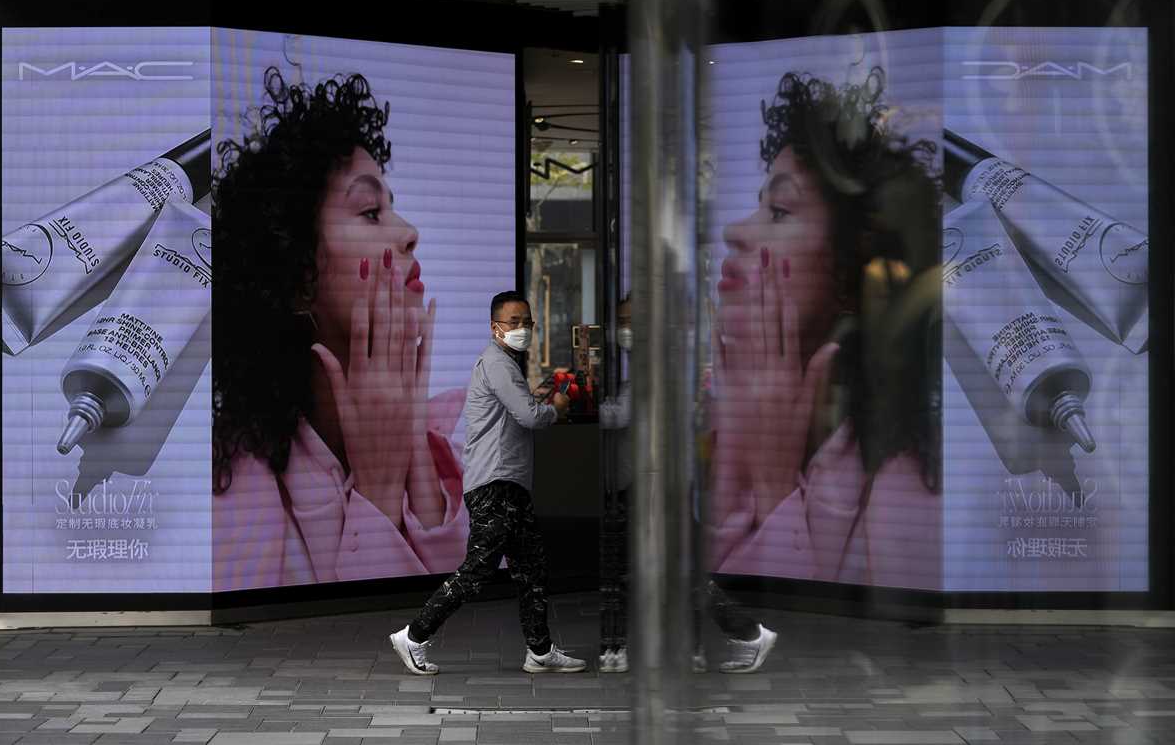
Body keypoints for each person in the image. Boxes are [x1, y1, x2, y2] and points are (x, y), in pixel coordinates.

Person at [212, 67, 469, 591]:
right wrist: (377, 494)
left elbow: (483, 626)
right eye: (371, 211)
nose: (409, 232)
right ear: (298, 277)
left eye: (391, 207)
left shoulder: (461, 450)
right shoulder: (231, 491)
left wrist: (415, 451)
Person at [711, 67, 943, 590]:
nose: (733, 230)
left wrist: (773, 483)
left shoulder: (908, 471)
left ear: (849, 266)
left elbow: (793, 620)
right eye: (758, 205)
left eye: (779, 210)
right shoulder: (742, 414)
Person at [390, 291, 586, 675]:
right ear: (495, 328)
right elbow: (530, 417)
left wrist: (539, 400)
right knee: (479, 569)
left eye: (527, 322)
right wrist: (556, 409)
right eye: (514, 322)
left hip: (508, 483)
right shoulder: (497, 363)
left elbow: (516, 411)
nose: (522, 328)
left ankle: (539, 650)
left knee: (531, 568)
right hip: (495, 484)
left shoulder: (503, 365)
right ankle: (413, 636)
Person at [599, 295, 778, 675]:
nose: (624, 329)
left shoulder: (652, 364)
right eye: (621, 321)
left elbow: (620, 415)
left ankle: (746, 633)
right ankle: (710, 643)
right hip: (659, 480)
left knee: (669, 571)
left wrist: (596, 404)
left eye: (630, 320)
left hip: (656, 483)